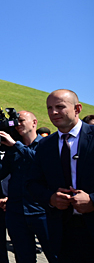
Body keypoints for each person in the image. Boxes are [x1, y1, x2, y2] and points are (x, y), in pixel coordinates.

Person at [28, 89, 94, 262]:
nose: (53, 112)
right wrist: (51, 198)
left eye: (60, 107)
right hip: (62, 232)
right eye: (49, 108)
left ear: (77, 109)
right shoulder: (44, 146)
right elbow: (32, 183)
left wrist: (92, 200)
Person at [0, 111, 55, 262]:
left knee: (54, 254)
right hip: (16, 211)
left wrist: (15, 145)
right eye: (16, 122)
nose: (18, 125)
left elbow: (39, 161)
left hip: (41, 211)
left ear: (34, 122)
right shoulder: (12, 148)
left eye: (22, 121)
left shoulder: (46, 144)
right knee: (23, 257)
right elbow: (0, 173)